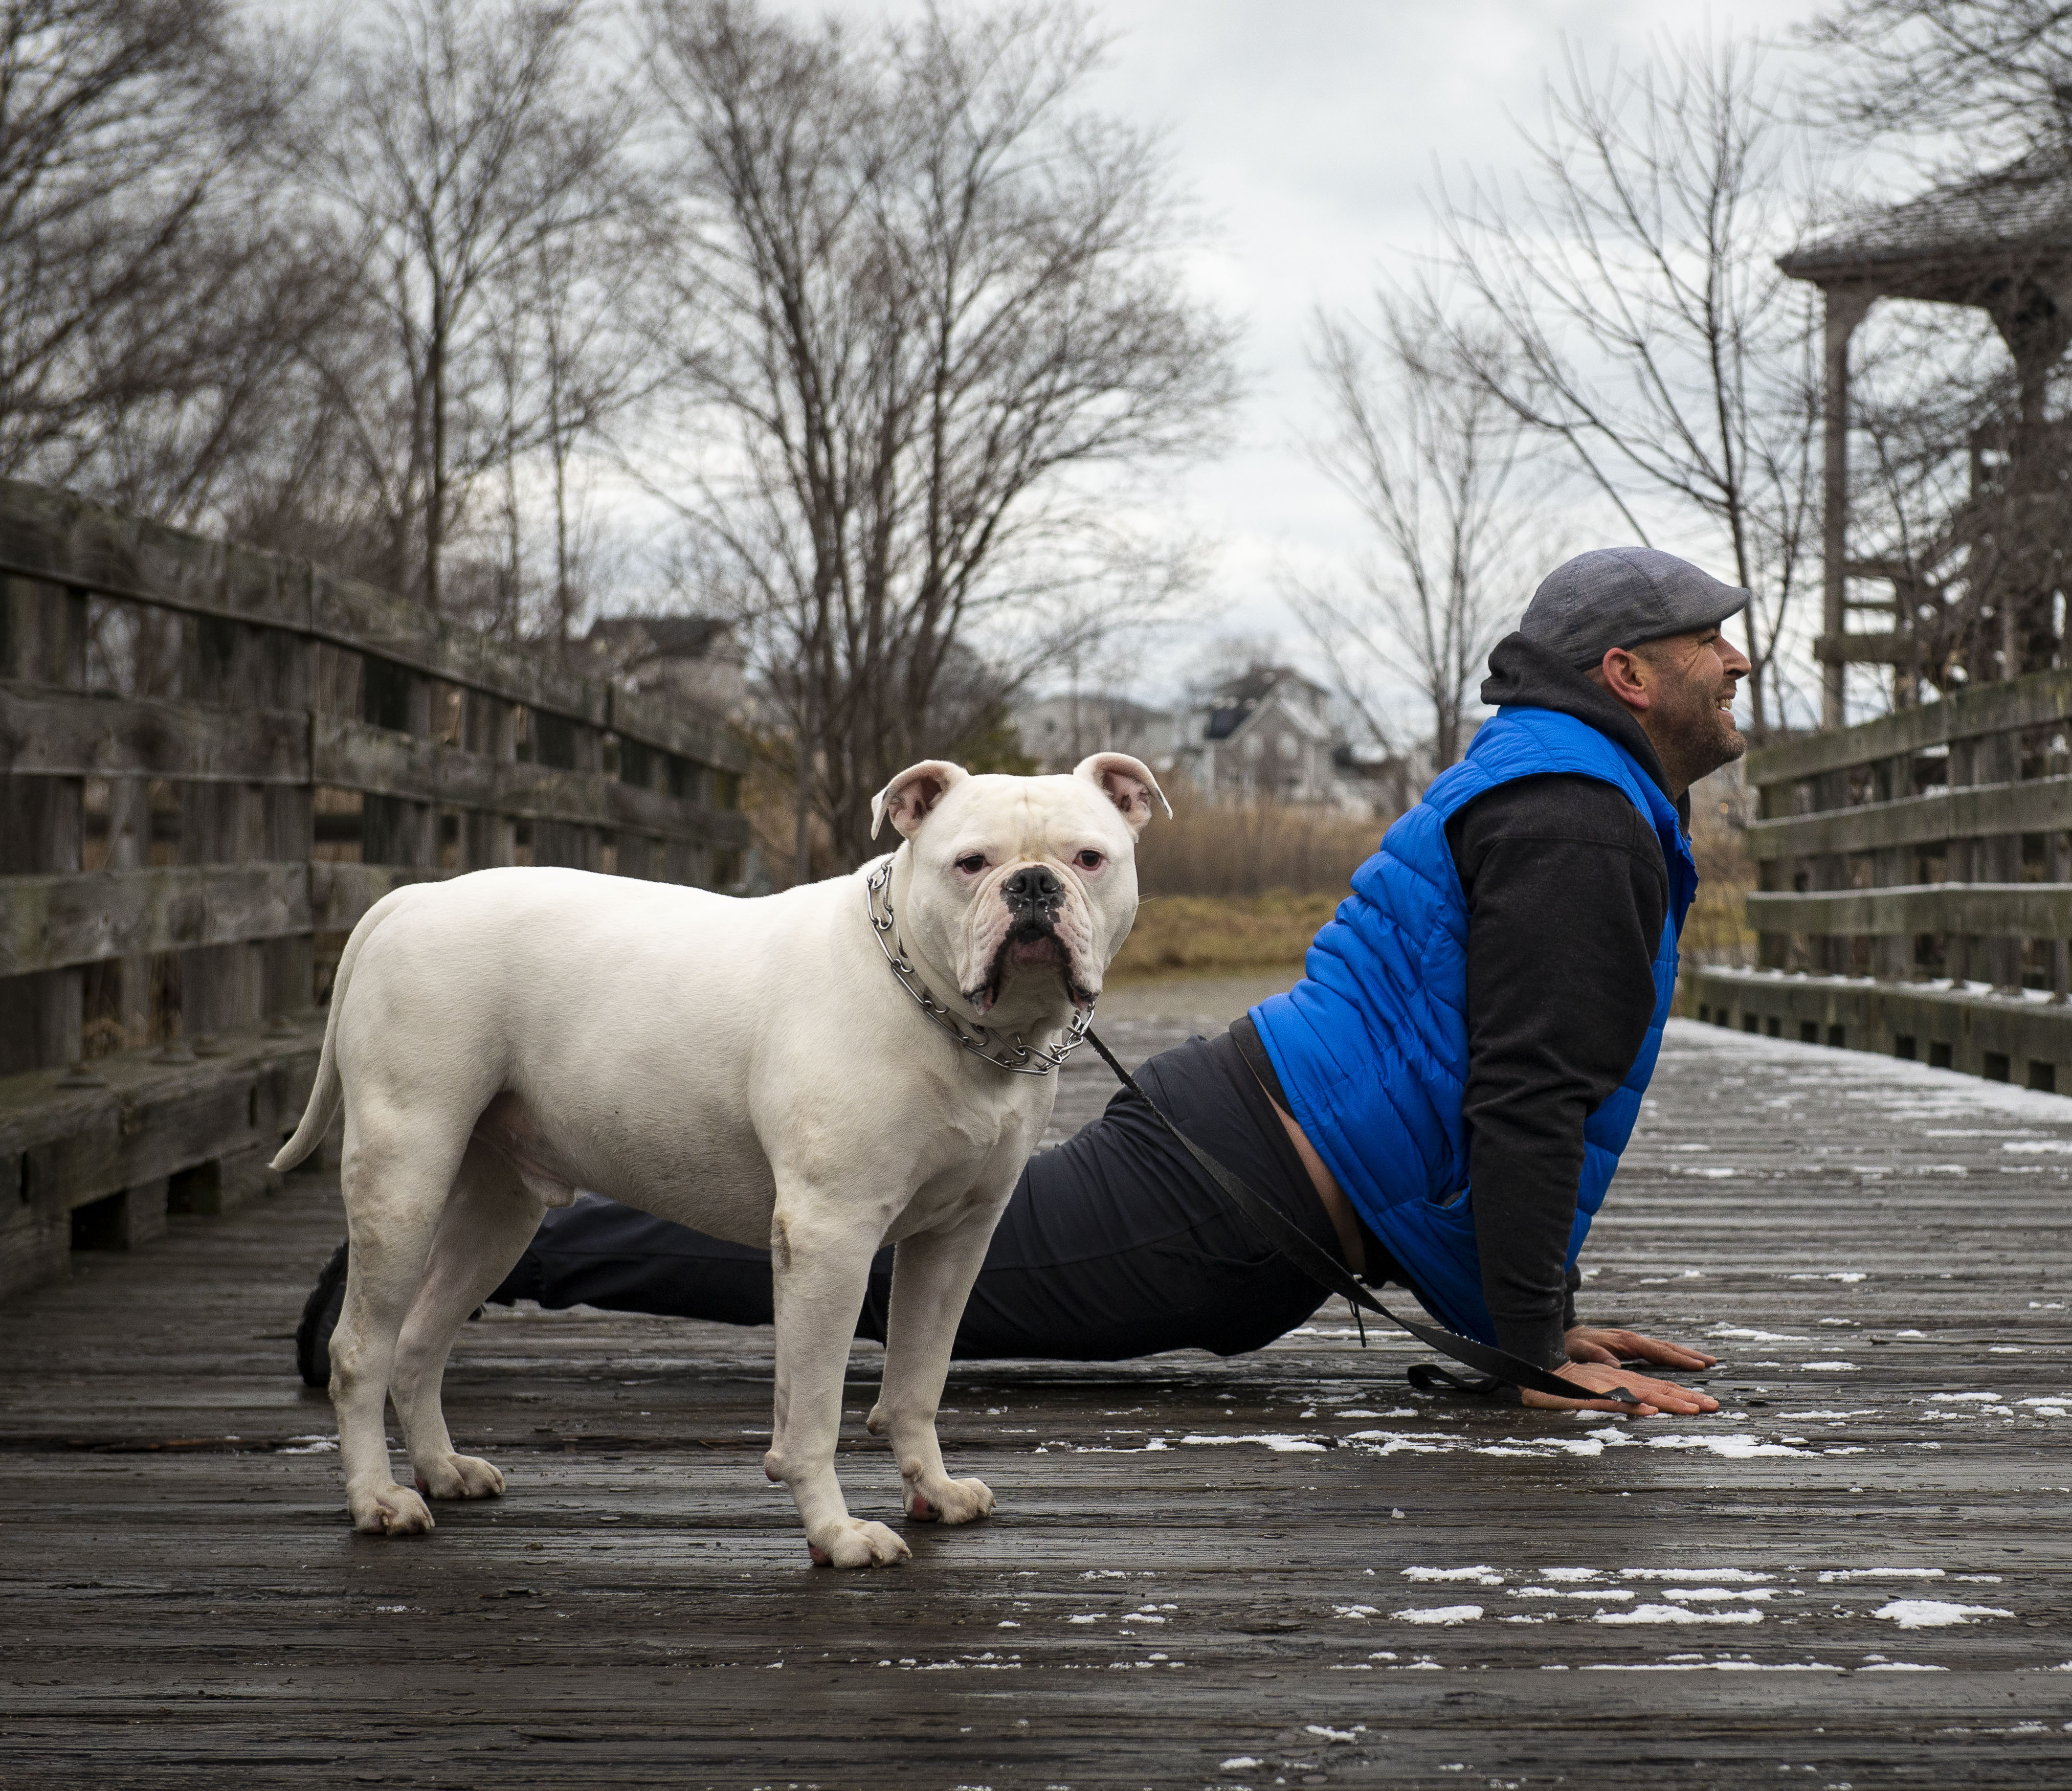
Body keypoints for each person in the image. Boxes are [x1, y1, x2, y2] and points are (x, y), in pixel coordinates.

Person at [298, 547, 1751, 1418]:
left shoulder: (1563, 786)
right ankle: (517, 1257)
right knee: (864, 1254)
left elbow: (1497, 1073)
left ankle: (523, 1255)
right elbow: (1524, 1094)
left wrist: (1536, 1318)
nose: (1736, 662)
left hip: (1263, 1177)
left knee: (896, 1257)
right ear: (1628, 673)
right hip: (1224, 1199)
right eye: (1711, 645)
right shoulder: (1575, 817)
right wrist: (1534, 1344)